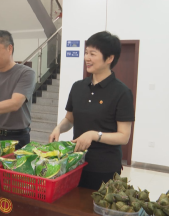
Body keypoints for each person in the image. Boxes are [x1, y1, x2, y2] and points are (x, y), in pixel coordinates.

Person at [49, 31, 135, 191]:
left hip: (105, 166)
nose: (86, 58)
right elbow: (70, 119)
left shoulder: (122, 92)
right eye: (86, 53)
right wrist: (59, 128)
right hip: (76, 162)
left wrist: (94, 134)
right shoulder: (78, 86)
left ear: (109, 58)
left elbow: (124, 137)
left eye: (92, 54)